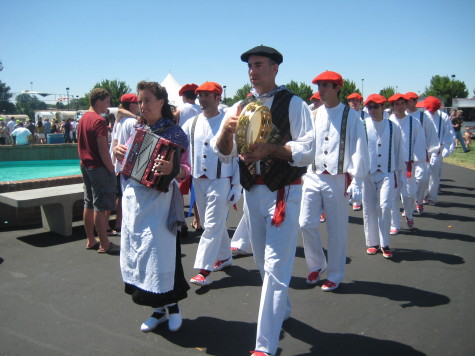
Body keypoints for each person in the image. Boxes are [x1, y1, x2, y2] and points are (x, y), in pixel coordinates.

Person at [212, 45, 314, 356]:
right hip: (252, 192)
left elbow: (308, 150)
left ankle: (264, 346)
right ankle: (281, 309)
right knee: (261, 262)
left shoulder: (294, 104)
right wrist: (227, 132)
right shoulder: (240, 106)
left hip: (284, 192)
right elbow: (223, 151)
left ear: (275, 68)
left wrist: (272, 149)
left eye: (259, 65)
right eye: (249, 67)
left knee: (275, 266)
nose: (252, 72)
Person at [113, 81, 191, 334]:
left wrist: (174, 170)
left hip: (161, 203)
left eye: (147, 100)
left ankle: (174, 307)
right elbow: (128, 165)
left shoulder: (175, 133)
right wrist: (118, 151)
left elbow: (186, 170)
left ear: (160, 103)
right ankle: (157, 310)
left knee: (161, 255)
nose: (141, 105)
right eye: (140, 100)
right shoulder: (136, 129)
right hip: (136, 201)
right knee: (142, 254)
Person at [299, 70, 368, 291]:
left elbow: (359, 149)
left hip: (337, 178)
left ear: (337, 88)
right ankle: (317, 264)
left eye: (326, 85)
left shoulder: (352, 117)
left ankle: (336, 273)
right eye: (319, 85)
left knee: (336, 229)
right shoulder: (314, 114)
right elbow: (306, 142)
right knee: (306, 223)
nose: (321, 89)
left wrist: (357, 179)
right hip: (312, 175)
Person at [182, 81, 241, 286]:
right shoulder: (191, 123)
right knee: (210, 224)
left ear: (218, 98)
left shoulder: (229, 121)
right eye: (200, 95)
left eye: (207, 95)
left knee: (213, 225)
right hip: (199, 180)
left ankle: (204, 270)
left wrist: (236, 185)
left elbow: (236, 156)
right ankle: (224, 257)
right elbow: (180, 147)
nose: (202, 99)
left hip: (221, 180)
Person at [362, 94, 404, 258]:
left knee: (385, 206)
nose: (372, 110)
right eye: (370, 107)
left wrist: (400, 173)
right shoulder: (362, 125)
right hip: (368, 173)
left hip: (387, 172)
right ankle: (372, 242)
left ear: (382, 107)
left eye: (376, 107)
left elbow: (398, 150)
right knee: (369, 208)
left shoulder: (393, 127)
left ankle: (385, 242)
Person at [77, 88, 119, 254]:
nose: (108, 106)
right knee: (100, 207)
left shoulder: (83, 119)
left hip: (85, 166)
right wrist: (111, 168)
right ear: (99, 101)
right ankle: (104, 243)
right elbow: (103, 150)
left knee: (89, 202)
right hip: (98, 167)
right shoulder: (99, 121)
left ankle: (90, 239)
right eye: (107, 102)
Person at [388, 94, 425, 234]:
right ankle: (394, 224)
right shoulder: (388, 122)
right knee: (393, 194)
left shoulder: (413, 122)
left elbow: (419, 141)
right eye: (396, 104)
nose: (400, 106)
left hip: (408, 164)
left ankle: (409, 214)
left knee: (409, 194)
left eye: (402, 103)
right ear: (392, 106)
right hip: (392, 166)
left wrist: (417, 160)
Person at [109, 93, 141, 235]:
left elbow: (115, 143)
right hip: (130, 166)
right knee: (129, 198)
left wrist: (115, 162)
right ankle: (126, 223)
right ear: (132, 105)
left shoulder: (119, 121)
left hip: (120, 165)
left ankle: (118, 222)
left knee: (120, 196)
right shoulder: (132, 122)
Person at [405, 92, 440, 214]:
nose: (406, 103)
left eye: (409, 100)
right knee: (407, 183)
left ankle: (419, 200)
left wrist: (434, 152)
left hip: (420, 155)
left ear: (415, 101)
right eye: (405, 101)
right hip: (404, 156)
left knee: (423, 179)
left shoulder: (424, 117)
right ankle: (408, 207)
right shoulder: (400, 116)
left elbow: (431, 136)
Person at [175, 83, 203, 234]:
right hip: (198, 155)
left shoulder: (180, 110)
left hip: (183, 156)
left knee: (178, 191)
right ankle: (198, 220)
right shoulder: (201, 110)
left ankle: (180, 222)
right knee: (197, 190)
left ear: (183, 96)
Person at [422, 96, 455, 205]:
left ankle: (432, 196)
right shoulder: (423, 116)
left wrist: (446, 147)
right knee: (423, 174)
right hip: (424, 150)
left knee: (434, 175)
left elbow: (448, 132)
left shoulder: (443, 116)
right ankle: (424, 194)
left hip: (437, 149)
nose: (432, 112)